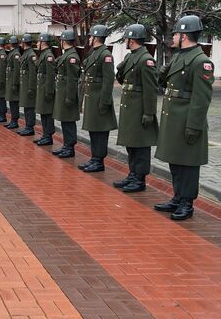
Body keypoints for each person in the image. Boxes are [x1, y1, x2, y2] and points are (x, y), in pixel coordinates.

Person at [154, 15, 214, 221]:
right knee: (175, 161)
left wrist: (194, 127)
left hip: (187, 120)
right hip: (174, 119)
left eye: (176, 34)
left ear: (185, 36)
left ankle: (187, 203)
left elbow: (201, 98)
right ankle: (178, 196)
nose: (173, 37)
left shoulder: (201, 61)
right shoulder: (179, 56)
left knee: (188, 164)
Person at [114, 24, 158, 193]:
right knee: (131, 144)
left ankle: (139, 179)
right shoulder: (132, 56)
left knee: (140, 145)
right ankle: (133, 174)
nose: (125, 40)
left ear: (131, 40)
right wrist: (120, 70)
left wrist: (149, 112)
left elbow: (151, 89)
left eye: (126, 38)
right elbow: (123, 81)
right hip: (130, 107)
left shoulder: (145, 59)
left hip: (139, 108)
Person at [79, 25, 117, 173]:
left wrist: (104, 102)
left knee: (100, 132)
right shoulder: (94, 53)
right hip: (92, 98)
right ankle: (95, 158)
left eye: (91, 37)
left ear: (95, 37)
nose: (89, 39)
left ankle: (99, 160)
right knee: (93, 130)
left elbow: (108, 81)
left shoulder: (105, 55)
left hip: (99, 99)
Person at [52, 30, 81, 158]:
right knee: (65, 121)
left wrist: (70, 97)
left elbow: (72, 79)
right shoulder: (67, 55)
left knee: (68, 121)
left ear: (64, 41)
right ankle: (66, 145)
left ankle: (70, 147)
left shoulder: (71, 57)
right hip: (63, 93)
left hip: (67, 94)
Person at [34, 33, 56, 146]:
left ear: (43, 43)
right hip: (42, 87)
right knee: (43, 112)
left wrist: (49, 91)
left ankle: (48, 136)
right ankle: (45, 134)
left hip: (46, 89)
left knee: (47, 113)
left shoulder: (48, 56)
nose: (37, 43)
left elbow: (51, 75)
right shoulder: (43, 54)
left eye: (38, 42)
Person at [17, 34, 37, 137]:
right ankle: (27, 126)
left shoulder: (31, 55)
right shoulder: (26, 53)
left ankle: (30, 127)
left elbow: (33, 73)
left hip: (29, 86)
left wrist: (31, 87)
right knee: (26, 107)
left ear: (24, 43)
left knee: (29, 108)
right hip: (25, 85)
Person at [4, 36, 21, 128]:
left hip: (13, 82)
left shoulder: (15, 54)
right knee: (11, 102)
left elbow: (16, 70)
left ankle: (15, 121)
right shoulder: (12, 53)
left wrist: (15, 83)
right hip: (10, 81)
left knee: (14, 103)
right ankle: (13, 120)